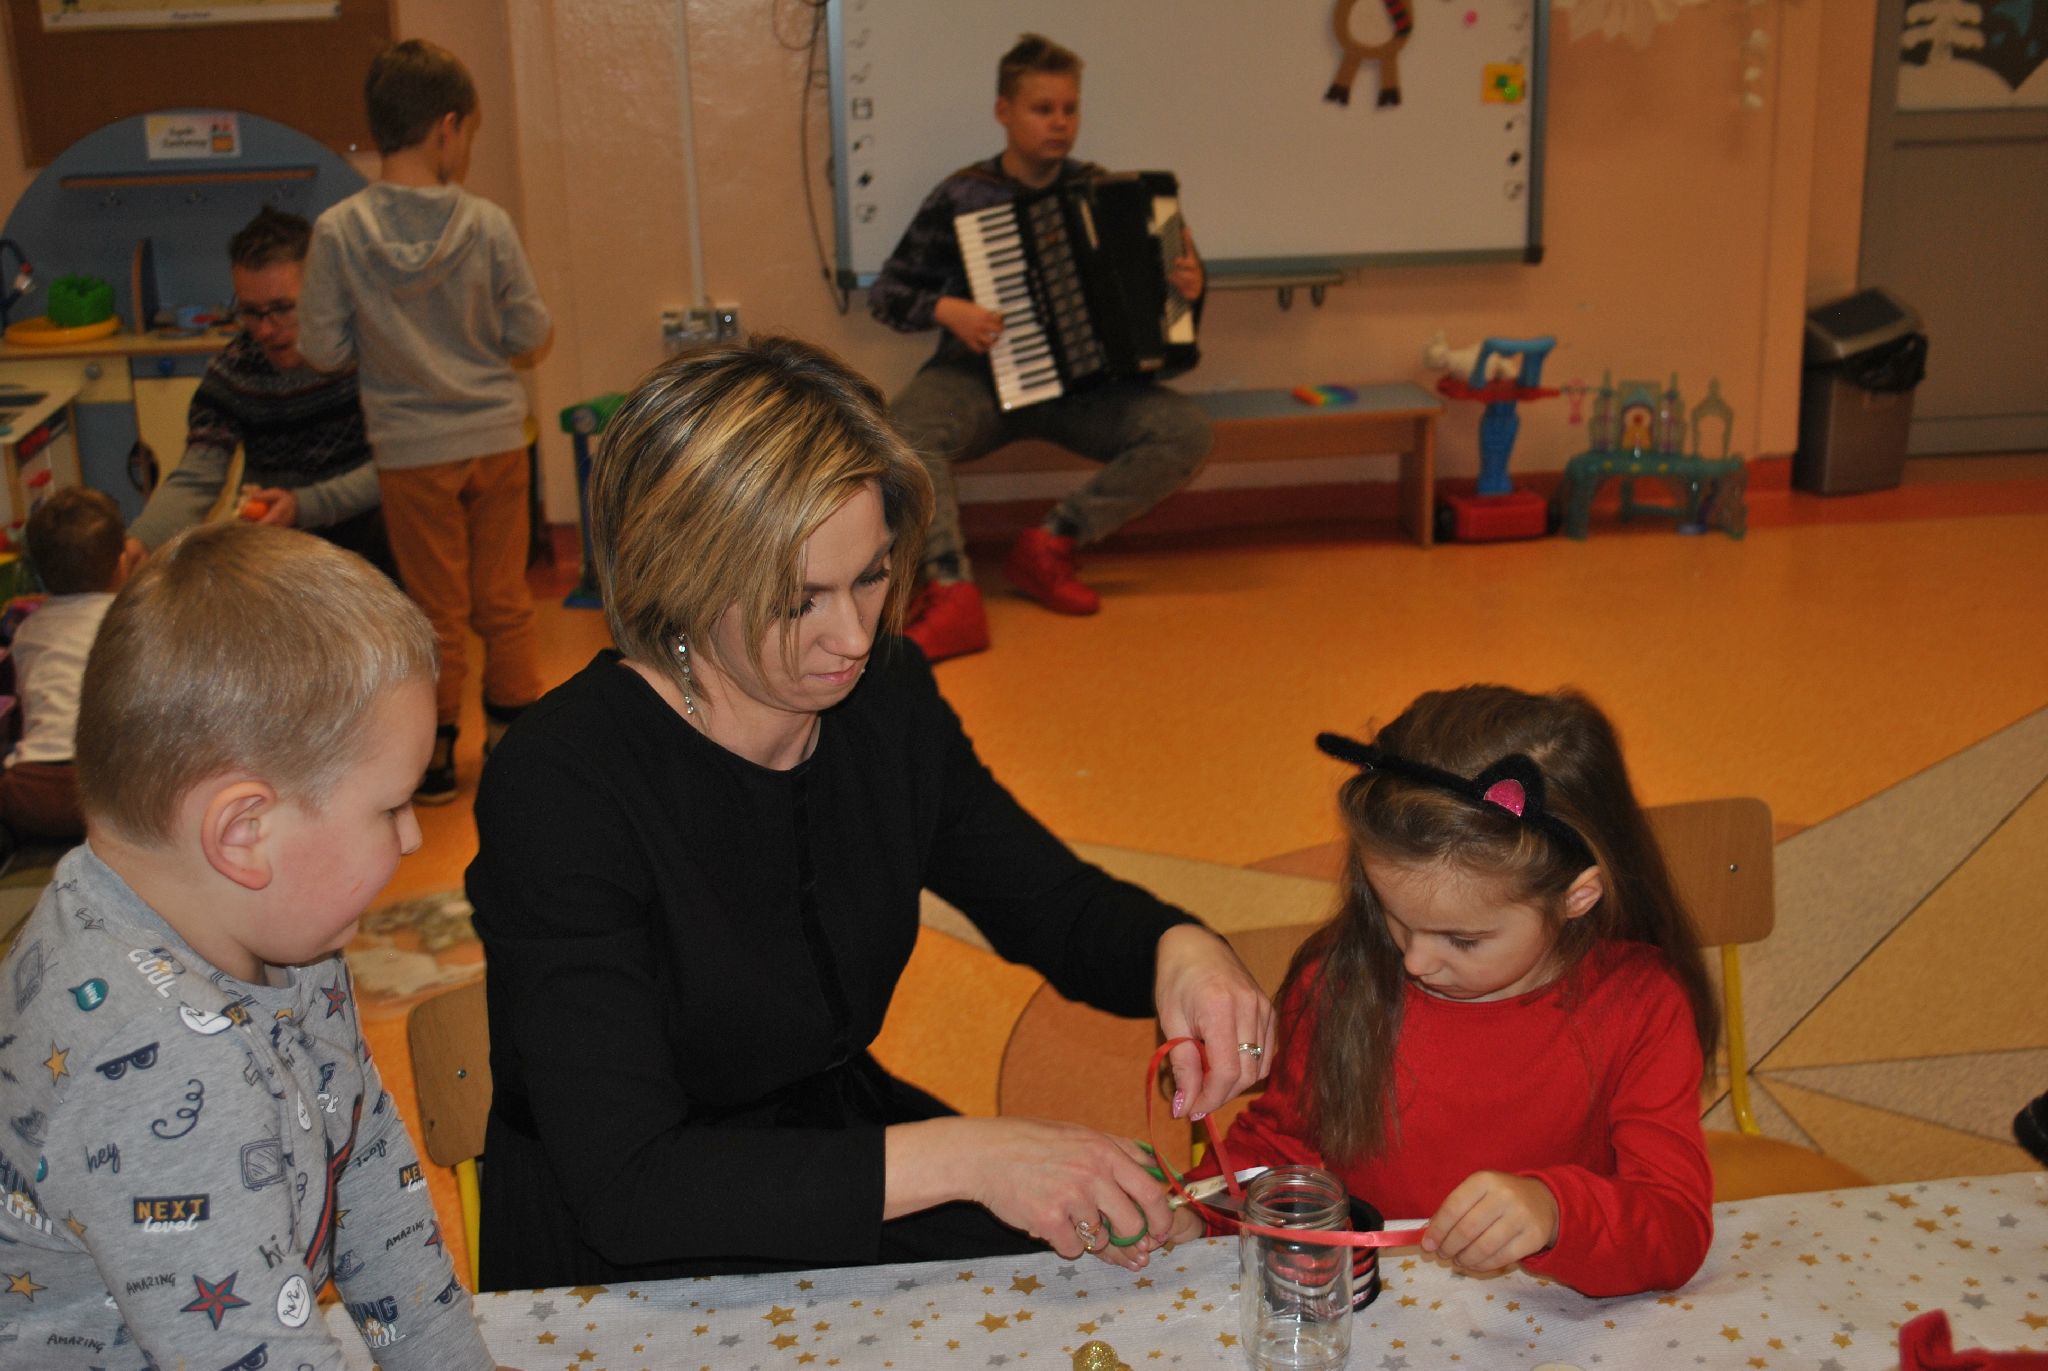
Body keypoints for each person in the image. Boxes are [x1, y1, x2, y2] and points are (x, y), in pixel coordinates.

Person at [466, 335, 1271, 1290]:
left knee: (1141, 1268)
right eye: (798, 600)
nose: (852, 637)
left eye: (873, 575)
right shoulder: (562, 783)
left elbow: (1049, 901)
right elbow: (630, 1183)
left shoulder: (884, 698)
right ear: (681, 578)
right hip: (630, 1243)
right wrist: (976, 1156)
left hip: (835, 1155)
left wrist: (1180, 947)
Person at [0, 522, 513, 1369]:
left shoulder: (286, 930)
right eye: (389, 807)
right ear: (245, 832)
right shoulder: (150, 1055)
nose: (414, 837)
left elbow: (364, 1163)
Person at [1169, 685, 1719, 1297]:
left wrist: (1554, 1212)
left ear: (1576, 898)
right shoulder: (1343, 978)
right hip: (1381, 1306)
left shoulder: (1641, 1006)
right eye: (1395, 917)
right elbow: (1280, 1146)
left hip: (1546, 1313)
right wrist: (1196, 1211)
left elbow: (1674, 1230)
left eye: (1462, 939)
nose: (1415, 960)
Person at [869, 33, 1212, 662]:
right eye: (1042, 109)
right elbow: (888, 294)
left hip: (1085, 389)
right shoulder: (962, 195)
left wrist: (1188, 288)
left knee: (1185, 430)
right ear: (1004, 111)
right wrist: (948, 310)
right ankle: (950, 589)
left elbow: (1163, 311)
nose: (1059, 123)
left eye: (1069, 109)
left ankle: (1051, 544)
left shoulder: (1107, 190)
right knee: (905, 427)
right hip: (977, 379)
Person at [298, 38, 552, 806]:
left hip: (410, 449)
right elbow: (530, 331)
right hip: (495, 439)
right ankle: (513, 735)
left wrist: (384, 346)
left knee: (432, 608)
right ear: (447, 126)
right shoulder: (487, 223)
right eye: (466, 131)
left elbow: (321, 348)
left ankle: (436, 752)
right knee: (504, 596)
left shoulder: (339, 231)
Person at [122, 207, 394, 579]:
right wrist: (141, 541)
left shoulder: (373, 350)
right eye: (250, 312)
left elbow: (396, 467)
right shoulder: (235, 371)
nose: (265, 330)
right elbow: (197, 476)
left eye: (282, 308)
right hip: (280, 553)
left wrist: (303, 505)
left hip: (375, 543)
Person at [0, 487, 127, 859]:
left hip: (31, 789)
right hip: (102, 788)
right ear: (122, 564)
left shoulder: (27, 630)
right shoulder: (128, 622)